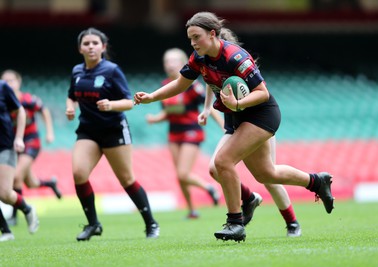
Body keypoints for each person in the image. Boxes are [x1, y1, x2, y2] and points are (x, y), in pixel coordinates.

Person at [134, 12, 334, 242]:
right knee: (264, 173)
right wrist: (152, 97)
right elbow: (180, 84)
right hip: (236, 117)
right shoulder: (199, 58)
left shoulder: (235, 56)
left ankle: (236, 223)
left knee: (223, 161)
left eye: (196, 37)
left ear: (212, 34)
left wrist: (237, 103)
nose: (193, 43)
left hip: (260, 114)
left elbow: (262, 93)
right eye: (190, 39)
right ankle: (316, 181)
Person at [198, 28, 302, 237]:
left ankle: (292, 222)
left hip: (255, 122)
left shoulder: (239, 66)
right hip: (233, 124)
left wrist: (237, 103)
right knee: (214, 168)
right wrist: (208, 107)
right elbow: (210, 81)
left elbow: (259, 93)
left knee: (268, 176)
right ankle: (249, 198)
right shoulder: (211, 67)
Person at [65, 27, 159, 241]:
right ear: (80, 48)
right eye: (86, 43)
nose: (90, 47)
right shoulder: (77, 71)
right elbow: (71, 96)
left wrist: (111, 105)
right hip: (87, 131)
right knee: (79, 174)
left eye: (95, 43)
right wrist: (70, 107)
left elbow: (129, 102)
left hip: (114, 130)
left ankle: (151, 223)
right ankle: (93, 224)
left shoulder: (112, 70)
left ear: (103, 47)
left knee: (126, 178)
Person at [146, 48, 221, 219]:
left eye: (174, 61)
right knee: (180, 176)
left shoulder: (192, 85)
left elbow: (208, 106)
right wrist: (155, 119)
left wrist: (223, 125)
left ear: (183, 63)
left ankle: (209, 188)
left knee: (182, 173)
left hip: (191, 131)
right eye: (167, 61)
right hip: (173, 134)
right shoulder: (165, 86)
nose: (170, 65)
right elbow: (168, 113)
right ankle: (191, 210)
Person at [1, 69, 61, 227]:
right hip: (14, 143)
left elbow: (44, 110)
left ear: (18, 82)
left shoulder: (26, 99)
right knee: (31, 182)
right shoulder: (4, 103)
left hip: (31, 141)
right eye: (5, 80)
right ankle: (50, 184)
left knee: (16, 177)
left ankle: (15, 216)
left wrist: (49, 132)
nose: (8, 84)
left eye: (11, 80)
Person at [0, 80, 39, 242]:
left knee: (4, 194)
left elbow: (20, 112)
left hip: (5, 145)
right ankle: (6, 231)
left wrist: (19, 138)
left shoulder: (2, 87)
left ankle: (27, 209)